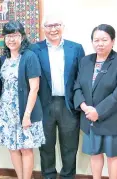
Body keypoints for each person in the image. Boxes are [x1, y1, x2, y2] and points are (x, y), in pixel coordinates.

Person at [73, 24, 117, 179]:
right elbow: (77, 86)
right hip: (89, 117)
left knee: (113, 156)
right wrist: (85, 107)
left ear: (112, 41)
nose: (100, 43)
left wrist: (97, 112)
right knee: (95, 154)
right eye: (96, 40)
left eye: (104, 40)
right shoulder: (85, 61)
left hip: (113, 118)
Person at [31, 15, 85, 179]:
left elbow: (81, 77)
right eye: (48, 26)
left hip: (68, 104)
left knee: (70, 146)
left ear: (63, 26)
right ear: (43, 28)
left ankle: (68, 176)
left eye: (56, 25)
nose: (53, 29)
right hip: (43, 104)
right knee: (45, 145)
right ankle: (48, 176)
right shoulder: (34, 49)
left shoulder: (75, 48)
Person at [0, 20, 45, 179]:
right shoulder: (3, 59)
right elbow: (2, 87)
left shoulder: (29, 57)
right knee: (12, 147)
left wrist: (27, 115)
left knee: (26, 148)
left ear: (22, 37)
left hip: (24, 109)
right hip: (6, 111)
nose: (11, 39)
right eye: (8, 36)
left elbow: (35, 88)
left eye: (15, 35)